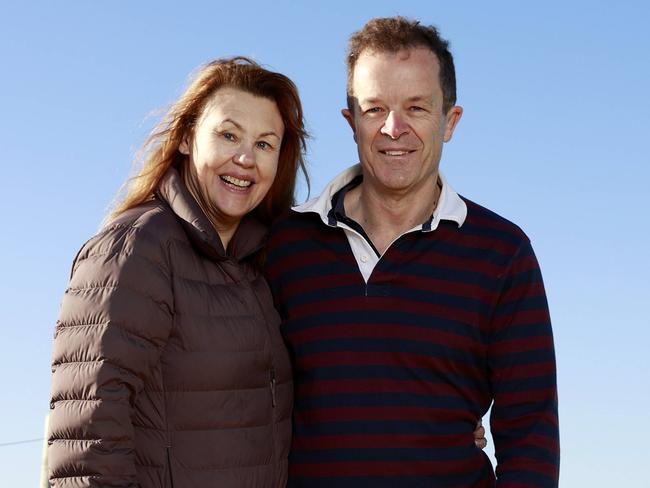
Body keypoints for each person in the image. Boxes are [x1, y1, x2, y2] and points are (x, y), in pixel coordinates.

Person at [266, 17, 560, 487]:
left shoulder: (503, 255)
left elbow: (530, 433)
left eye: (417, 108)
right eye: (374, 107)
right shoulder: (285, 246)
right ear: (351, 121)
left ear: (450, 121)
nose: (393, 127)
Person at [47, 57, 308, 487]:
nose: (245, 158)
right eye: (228, 135)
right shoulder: (136, 247)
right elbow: (87, 434)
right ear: (187, 138)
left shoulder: (259, 263)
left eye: (265, 144)